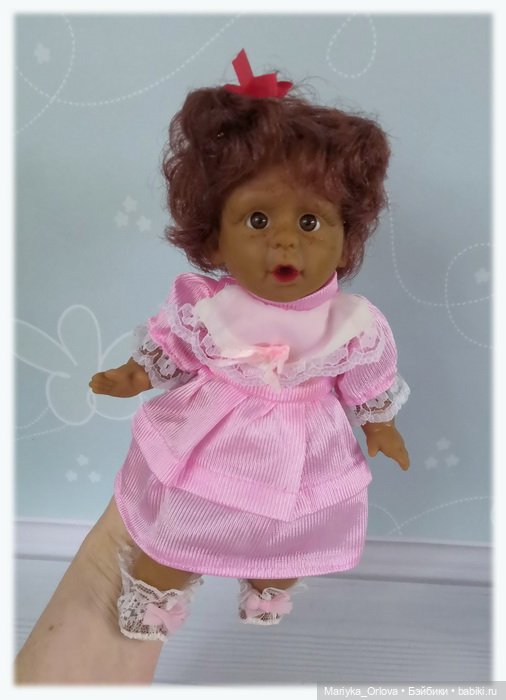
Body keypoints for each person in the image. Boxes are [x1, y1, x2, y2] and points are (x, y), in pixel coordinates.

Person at [16, 48, 410, 681]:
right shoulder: (210, 308)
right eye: (257, 219)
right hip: (214, 436)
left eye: (311, 221)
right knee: (177, 527)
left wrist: (379, 423)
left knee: (290, 534)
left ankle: (269, 585)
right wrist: (132, 375)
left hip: (305, 449)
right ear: (215, 239)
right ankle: (158, 591)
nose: (285, 239)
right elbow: (175, 349)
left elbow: (369, 378)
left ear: (346, 239)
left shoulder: (353, 324)